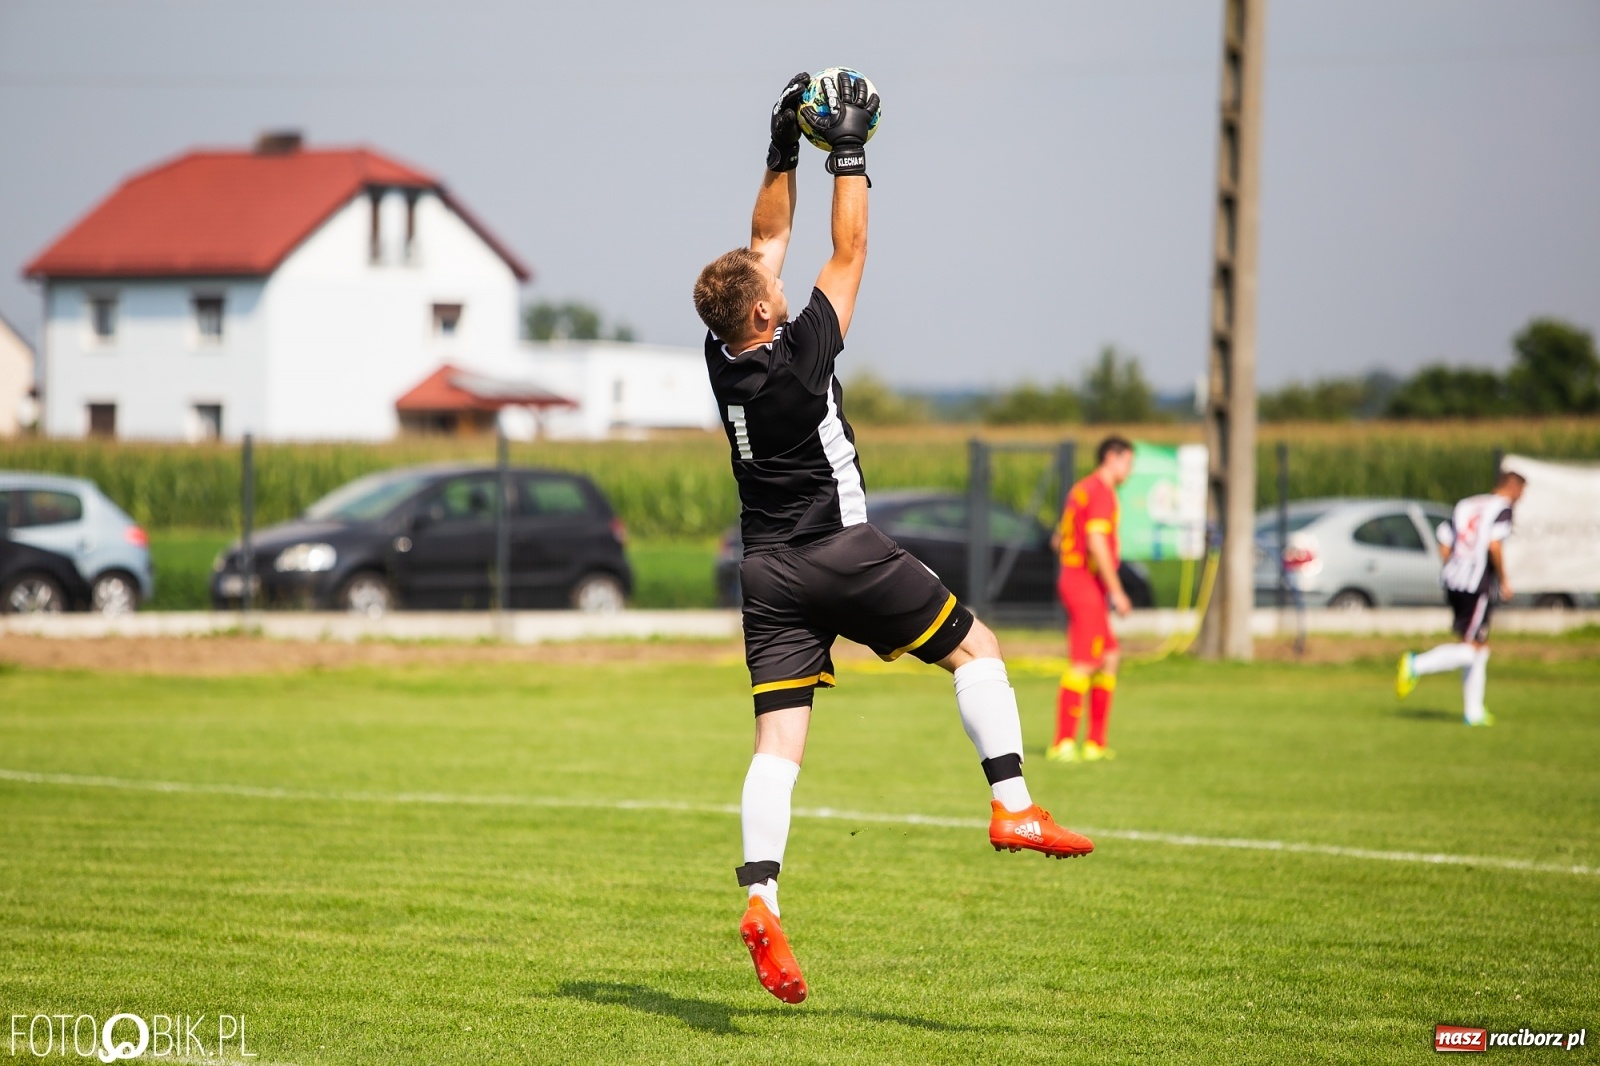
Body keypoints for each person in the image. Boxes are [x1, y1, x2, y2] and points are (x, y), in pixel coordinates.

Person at [692, 71, 1094, 1006]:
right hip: (840, 549)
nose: (777, 277)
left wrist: (780, 146)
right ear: (764, 313)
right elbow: (851, 247)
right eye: (771, 285)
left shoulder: (722, 353)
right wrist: (850, 152)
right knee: (978, 648)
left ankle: (762, 896)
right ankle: (1012, 804)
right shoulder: (799, 360)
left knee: (776, 743)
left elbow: (763, 241)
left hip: (768, 572)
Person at [1396, 469, 1527, 725]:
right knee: (1471, 649)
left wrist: (1454, 567)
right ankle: (1416, 664)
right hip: (1477, 584)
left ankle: (1473, 711)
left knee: (1479, 647)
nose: (1520, 498)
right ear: (1513, 488)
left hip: (1454, 580)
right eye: (1521, 492)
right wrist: (1504, 579)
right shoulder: (1502, 508)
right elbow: (1494, 545)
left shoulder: (1467, 504)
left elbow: (1444, 540)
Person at [1048, 437, 1136, 763]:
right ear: (1111, 457)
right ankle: (1063, 742)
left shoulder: (1081, 488)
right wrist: (1117, 591)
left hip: (1080, 580)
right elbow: (1096, 542)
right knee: (1085, 661)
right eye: (1128, 462)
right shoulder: (1101, 491)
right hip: (1084, 584)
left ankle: (1095, 743)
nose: (1130, 470)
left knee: (1110, 656)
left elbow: (1058, 539)